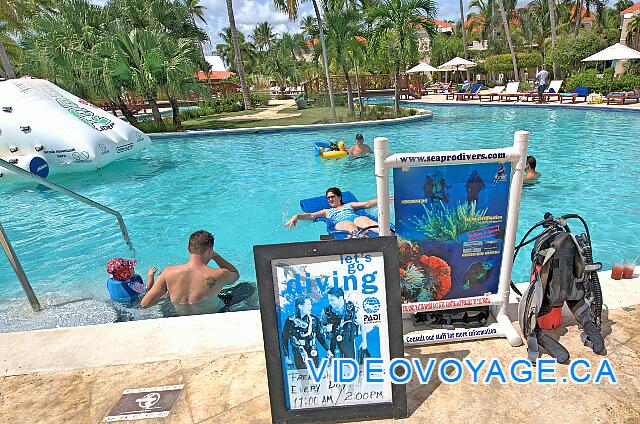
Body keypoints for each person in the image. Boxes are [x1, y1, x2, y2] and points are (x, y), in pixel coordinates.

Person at [140, 230, 240, 315]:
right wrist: (216, 256)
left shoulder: (168, 272)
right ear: (210, 250)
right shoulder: (219, 274)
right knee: (246, 287)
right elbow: (235, 274)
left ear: (188, 248)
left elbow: (145, 304)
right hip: (211, 314)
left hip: (179, 315)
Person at [284, 187, 379, 235]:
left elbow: (367, 204)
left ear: (339, 197)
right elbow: (311, 216)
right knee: (348, 225)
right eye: (328, 198)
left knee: (363, 219)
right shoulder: (327, 211)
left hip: (355, 218)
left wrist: (382, 199)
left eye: (332, 197)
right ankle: (358, 238)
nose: (330, 200)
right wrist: (297, 216)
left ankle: (387, 233)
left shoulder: (349, 205)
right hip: (341, 223)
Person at [282, 296, 331, 370]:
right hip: (298, 352)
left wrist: (328, 350)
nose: (310, 307)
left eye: (311, 304)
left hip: (312, 350)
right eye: (308, 304)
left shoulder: (314, 320)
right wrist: (286, 356)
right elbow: (284, 339)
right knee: (303, 377)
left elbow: (320, 337)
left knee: (315, 376)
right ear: (300, 306)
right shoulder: (290, 321)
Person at [320, 287, 368, 360]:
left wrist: (364, 341)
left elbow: (362, 324)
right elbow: (320, 327)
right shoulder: (326, 312)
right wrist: (326, 328)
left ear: (340, 298)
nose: (330, 302)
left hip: (348, 343)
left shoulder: (352, 310)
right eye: (329, 300)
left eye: (332, 300)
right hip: (333, 343)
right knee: (334, 367)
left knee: (349, 366)